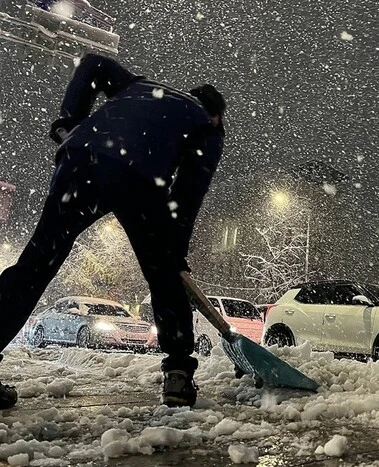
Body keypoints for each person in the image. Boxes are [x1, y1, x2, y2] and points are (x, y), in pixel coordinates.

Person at [0, 53, 226, 409]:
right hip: (141, 177)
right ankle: (179, 374)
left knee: (36, 264)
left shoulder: (140, 87)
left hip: (80, 159)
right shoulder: (207, 126)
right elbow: (188, 194)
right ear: (216, 114)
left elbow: (93, 63)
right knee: (164, 277)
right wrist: (174, 251)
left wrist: (68, 121)